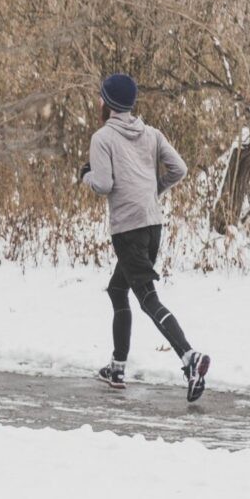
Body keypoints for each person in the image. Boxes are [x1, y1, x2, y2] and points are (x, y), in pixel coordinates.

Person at [79, 72, 211, 402]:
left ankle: (189, 357)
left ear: (107, 103)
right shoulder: (151, 133)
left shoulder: (103, 138)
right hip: (153, 225)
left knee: (147, 298)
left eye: (100, 97)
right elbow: (179, 168)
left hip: (127, 228)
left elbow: (104, 184)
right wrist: (154, 191)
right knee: (117, 288)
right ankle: (117, 367)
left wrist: (85, 176)